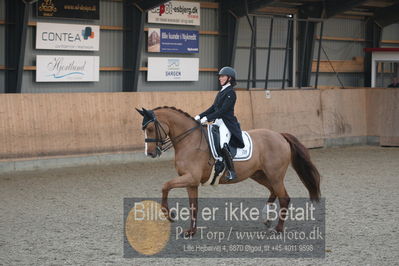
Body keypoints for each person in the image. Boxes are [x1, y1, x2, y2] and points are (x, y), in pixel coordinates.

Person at [195, 66, 244, 180]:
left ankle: (232, 171)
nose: (220, 78)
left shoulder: (231, 93)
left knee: (223, 144)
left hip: (226, 123)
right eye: (220, 76)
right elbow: (213, 107)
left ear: (229, 78)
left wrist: (206, 118)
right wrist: (199, 116)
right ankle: (217, 161)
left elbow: (222, 111)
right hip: (217, 122)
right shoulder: (221, 91)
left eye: (222, 76)